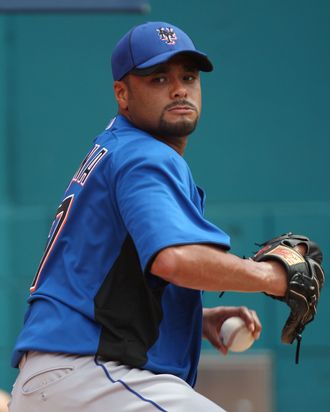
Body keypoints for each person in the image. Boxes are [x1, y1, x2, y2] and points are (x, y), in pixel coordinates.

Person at [9, 21, 294, 412]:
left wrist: (197, 318)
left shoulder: (114, 148)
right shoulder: (144, 155)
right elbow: (173, 259)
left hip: (60, 382)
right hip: (89, 377)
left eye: (188, 77)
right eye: (158, 78)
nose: (179, 88)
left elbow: (99, 284)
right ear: (122, 94)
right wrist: (271, 277)